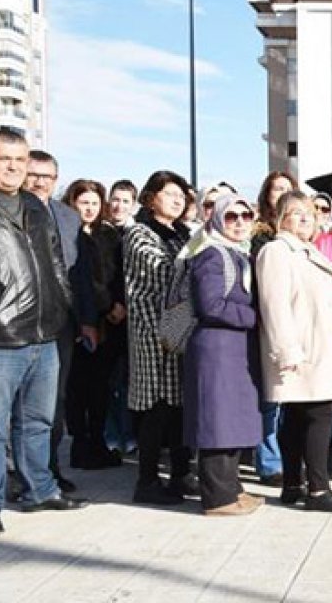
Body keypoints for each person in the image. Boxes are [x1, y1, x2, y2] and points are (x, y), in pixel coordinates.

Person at [0, 129, 87, 538]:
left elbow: (58, 262)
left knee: (38, 420)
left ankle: (40, 490)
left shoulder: (35, 205)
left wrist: (63, 306)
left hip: (47, 332)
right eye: (3, 159)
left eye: (19, 159)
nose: (13, 167)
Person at [257, 192, 332, 513]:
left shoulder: (307, 250)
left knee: (300, 417)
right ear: (280, 218)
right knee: (318, 415)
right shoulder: (277, 251)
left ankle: (293, 484)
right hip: (303, 350)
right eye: (295, 213)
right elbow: (275, 304)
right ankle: (318, 489)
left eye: (309, 214)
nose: (304, 218)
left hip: (319, 348)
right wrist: (287, 350)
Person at [180, 195, 264, 516]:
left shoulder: (238, 254)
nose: (240, 222)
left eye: (246, 215)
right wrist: (256, 316)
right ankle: (216, 497)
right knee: (216, 422)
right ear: (216, 220)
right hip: (216, 348)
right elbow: (211, 305)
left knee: (233, 420)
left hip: (235, 347)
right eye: (231, 217)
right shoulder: (211, 254)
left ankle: (232, 488)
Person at [123, 170, 197, 505]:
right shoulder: (139, 232)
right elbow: (164, 269)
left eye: (181, 195)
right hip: (152, 330)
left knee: (180, 406)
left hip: (182, 327)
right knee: (156, 407)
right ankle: (147, 480)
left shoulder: (183, 233)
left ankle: (181, 474)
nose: (177, 200)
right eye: (169, 194)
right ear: (151, 197)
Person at [23, 150, 82, 492]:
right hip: (16, 323)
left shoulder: (68, 216)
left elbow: (79, 270)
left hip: (61, 324)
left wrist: (86, 320)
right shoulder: (6, 210)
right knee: (18, 407)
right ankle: (21, 475)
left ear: (56, 180)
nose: (39, 181)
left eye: (47, 176)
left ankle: (48, 469)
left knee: (53, 402)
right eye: (34, 174)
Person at [62, 180, 124, 470]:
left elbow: (115, 275)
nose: (89, 208)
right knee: (79, 389)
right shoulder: (66, 234)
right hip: (79, 322)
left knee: (101, 388)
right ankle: (81, 445)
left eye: (95, 203)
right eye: (84, 202)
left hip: (109, 323)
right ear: (72, 203)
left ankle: (98, 442)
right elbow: (81, 282)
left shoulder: (107, 235)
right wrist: (106, 305)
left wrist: (117, 305)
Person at [251, 170, 298, 487]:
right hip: (266, 319)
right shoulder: (258, 235)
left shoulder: (302, 233)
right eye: (276, 189)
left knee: (290, 401)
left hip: (299, 321)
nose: (281, 193)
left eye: (287, 189)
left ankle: (290, 457)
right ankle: (269, 463)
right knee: (269, 399)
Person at [103, 180, 138, 458]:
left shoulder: (136, 234)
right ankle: (113, 435)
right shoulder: (100, 232)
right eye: (115, 199)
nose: (119, 206)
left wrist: (125, 304)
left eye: (125, 201)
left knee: (127, 382)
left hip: (132, 317)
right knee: (110, 382)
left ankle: (129, 435)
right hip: (107, 317)